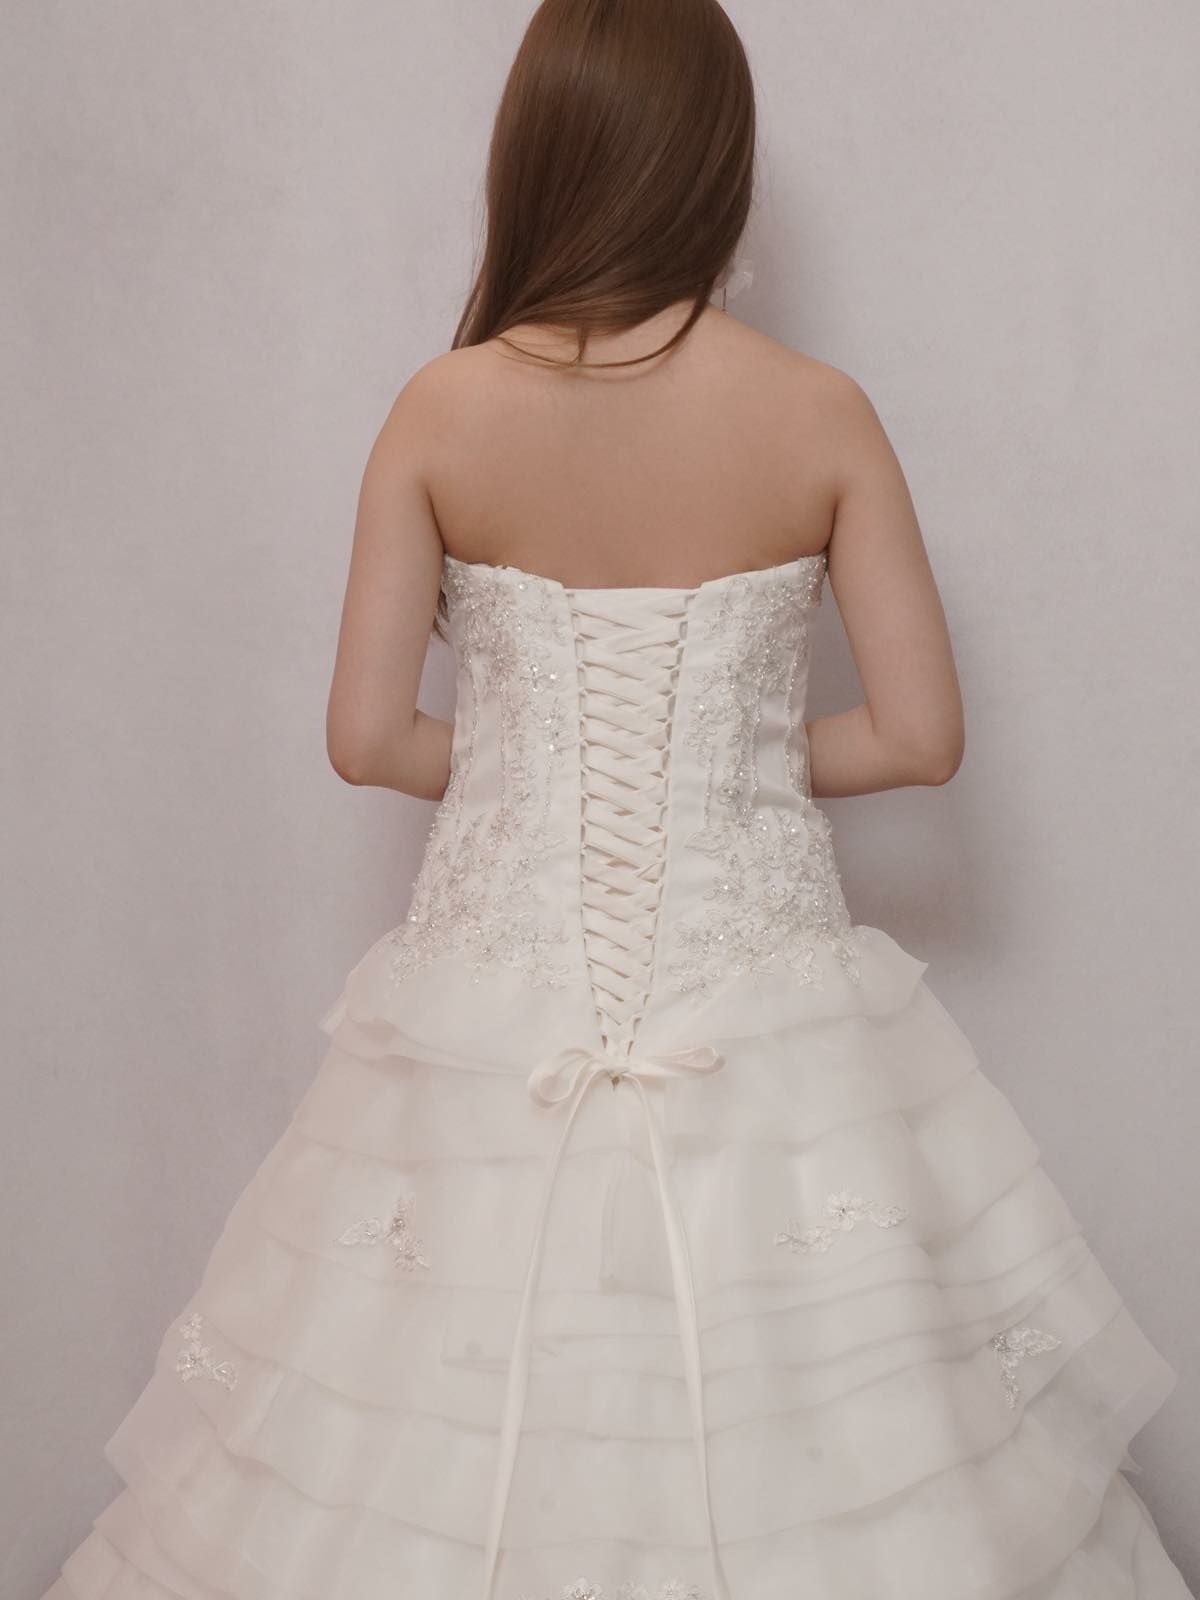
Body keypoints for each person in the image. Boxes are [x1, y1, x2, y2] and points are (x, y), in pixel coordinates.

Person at [43, 1, 1194, 1597]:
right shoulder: (817, 410)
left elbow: (366, 737)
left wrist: (546, 770)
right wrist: (720, 767)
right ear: (718, 162)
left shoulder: (440, 411)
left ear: (539, 153)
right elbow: (922, 737)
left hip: (490, 1014)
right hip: (765, 1007)